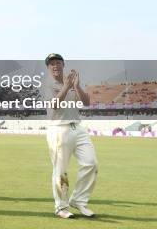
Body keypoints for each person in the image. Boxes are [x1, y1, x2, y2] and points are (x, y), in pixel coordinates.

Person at [44, 53, 98, 219]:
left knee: (91, 163)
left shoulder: (72, 82)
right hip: (59, 129)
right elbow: (54, 105)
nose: (55, 66)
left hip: (78, 127)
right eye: (51, 63)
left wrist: (77, 86)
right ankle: (61, 207)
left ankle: (79, 200)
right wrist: (66, 87)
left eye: (57, 62)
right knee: (61, 171)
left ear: (63, 64)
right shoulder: (46, 84)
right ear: (48, 67)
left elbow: (86, 102)